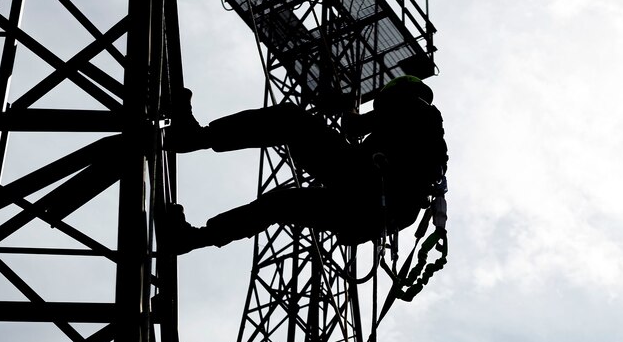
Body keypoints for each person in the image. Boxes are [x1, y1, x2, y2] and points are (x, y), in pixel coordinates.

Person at [163, 76, 446, 251]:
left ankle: (195, 137)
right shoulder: (427, 137)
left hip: (361, 184)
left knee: (289, 119)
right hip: (366, 211)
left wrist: (346, 106)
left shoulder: (415, 108)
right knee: (279, 205)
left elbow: (353, 127)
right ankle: (191, 240)